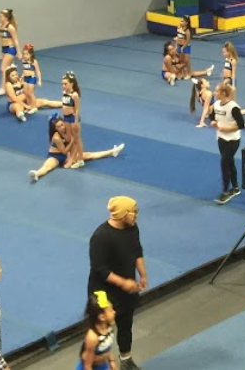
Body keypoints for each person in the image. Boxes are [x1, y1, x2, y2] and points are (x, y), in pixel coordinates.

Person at [88, 196, 148, 370]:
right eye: (133, 212)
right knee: (101, 332)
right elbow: (100, 269)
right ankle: (95, 363)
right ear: (122, 214)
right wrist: (123, 283)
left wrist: (142, 274)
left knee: (126, 325)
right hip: (102, 292)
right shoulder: (101, 237)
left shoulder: (132, 228)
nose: (136, 215)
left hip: (126, 290)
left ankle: (126, 359)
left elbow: (137, 251)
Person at [30, 115, 124, 183]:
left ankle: (113, 151)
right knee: (47, 167)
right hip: (55, 156)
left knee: (89, 155)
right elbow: (64, 151)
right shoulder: (56, 137)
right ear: (56, 129)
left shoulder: (68, 131)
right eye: (58, 127)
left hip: (68, 155)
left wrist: (71, 157)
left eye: (62, 124)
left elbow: (75, 145)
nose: (62, 127)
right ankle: (36, 174)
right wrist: (72, 141)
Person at [210, 82, 245, 204]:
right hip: (221, 138)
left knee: (224, 163)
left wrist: (227, 129)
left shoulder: (233, 108)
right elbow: (212, 116)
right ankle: (235, 187)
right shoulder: (216, 104)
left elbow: (241, 124)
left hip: (233, 140)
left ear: (223, 93)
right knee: (230, 162)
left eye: (217, 91)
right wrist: (213, 122)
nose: (214, 93)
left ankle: (225, 191)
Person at [78, 291, 118, 370]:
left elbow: (106, 345)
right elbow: (87, 366)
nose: (114, 312)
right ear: (102, 317)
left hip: (102, 365)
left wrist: (111, 360)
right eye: (111, 310)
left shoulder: (108, 326)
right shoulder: (92, 338)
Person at [62, 72, 85, 168]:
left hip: (72, 118)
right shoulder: (64, 93)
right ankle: (72, 157)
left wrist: (75, 121)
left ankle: (80, 160)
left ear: (71, 84)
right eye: (62, 84)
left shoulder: (74, 95)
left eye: (65, 84)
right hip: (66, 118)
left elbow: (77, 109)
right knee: (69, 138)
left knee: (77, 139)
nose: (63, 86)